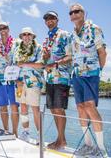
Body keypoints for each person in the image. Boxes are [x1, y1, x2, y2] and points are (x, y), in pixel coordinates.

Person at [69, 3, 108, 157]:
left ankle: (101, 148)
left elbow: (102, 53)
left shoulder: (94, 29)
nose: (73, 14)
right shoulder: (73, 35)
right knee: (80, 107)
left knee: (90, 106)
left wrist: (98, 70)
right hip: (77, 74)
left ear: (83, 13)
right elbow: (72, 55)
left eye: (77, 11)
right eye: (71, 12)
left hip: (91, 73)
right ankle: (88, 144)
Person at [42, 11, 72, 150]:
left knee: (59, 109)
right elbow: (46, 60)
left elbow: (70, 56)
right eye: (47, 19)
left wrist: (54, 64)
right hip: (49, 78)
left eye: (52, 18)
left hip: (61, 77)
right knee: (53, 109)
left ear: (57, 20)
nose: (49, 21)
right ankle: (60, 140)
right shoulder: (47, 39)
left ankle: (61, 141)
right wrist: (46, 58)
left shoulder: (64, 34)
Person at [13, 27, 44, 141]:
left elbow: (41, 64)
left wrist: (25, 63)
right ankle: (26, 133)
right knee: (23, 108)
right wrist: (16, 80)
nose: (26, 36)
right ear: (21, 37)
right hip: (20, 83)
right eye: (24, 34)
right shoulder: (16, 49)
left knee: (35, 108)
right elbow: (14, 65)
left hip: (33, 82)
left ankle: (40, 136)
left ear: (33, 36)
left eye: (29, 34)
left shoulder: (38, 48)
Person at [0, 22, 19, 136]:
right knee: (3, 106)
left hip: (13, 80)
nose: (3, 30)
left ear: (9, 29)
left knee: (14, 106)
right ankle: (6, 130)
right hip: (0, 80)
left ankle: (15, 133)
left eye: (5, 28)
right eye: (0, 28)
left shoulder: (16, 44)